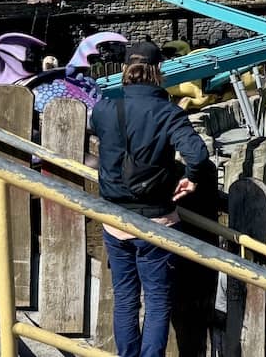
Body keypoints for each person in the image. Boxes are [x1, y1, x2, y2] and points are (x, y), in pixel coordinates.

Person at [90, 41, 210, 357]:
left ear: (125, 71)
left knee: (125, 298)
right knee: (157, 300)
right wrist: (192, 180)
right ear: (158, 71)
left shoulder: (104, 108)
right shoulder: (168, 112)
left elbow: (97, 133)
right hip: (157, 220)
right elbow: (198, 155)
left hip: (115, 220)